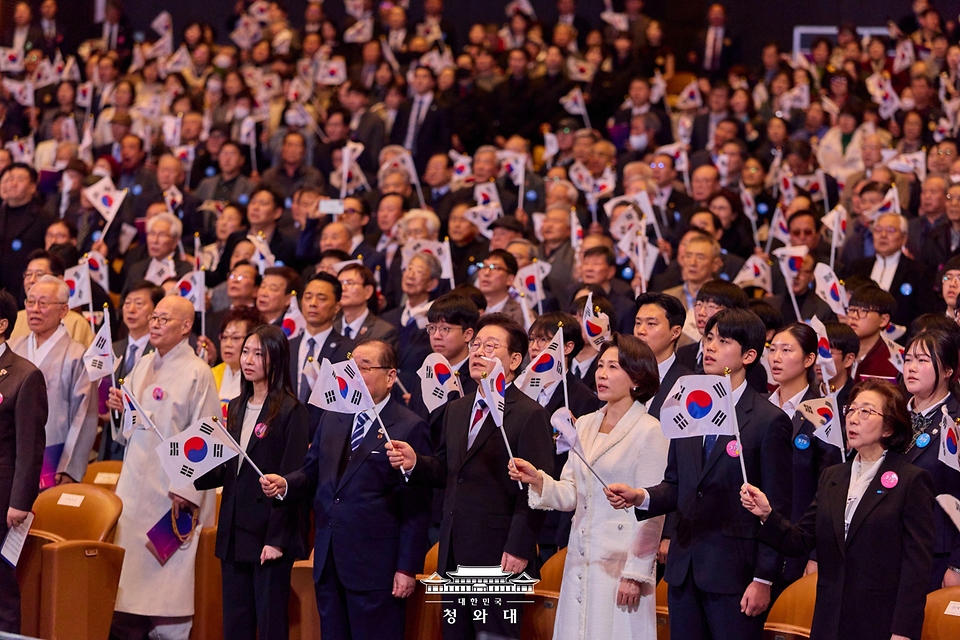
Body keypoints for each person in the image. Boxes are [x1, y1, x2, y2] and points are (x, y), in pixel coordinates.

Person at [605, 308, 793, 640]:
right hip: (685, 568)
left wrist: (764, 578)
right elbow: (677, 485)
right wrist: (642, 496)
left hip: (736, 572)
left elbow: (776, 507)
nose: (710, 347)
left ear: (749, 355)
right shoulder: (688, 409)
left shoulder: (768, 420)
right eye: (708, 338)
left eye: (723, 341)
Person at [386, 313, 554, 640]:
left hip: (500, 554)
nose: (478, 352)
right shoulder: (458, 408)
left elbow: (538, 490)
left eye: (491, 346)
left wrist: (520, 547)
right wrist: (416, 462)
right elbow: (448, 469)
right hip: (454, 549)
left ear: (515, 360)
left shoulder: (529, 413)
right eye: (476, 344)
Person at [260, 340, 432, 640]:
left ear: (391, 376)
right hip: (329, 560)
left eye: (364, 367)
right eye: (352, 366)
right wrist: (286, 484)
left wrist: (406, 567)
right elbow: (313, 472)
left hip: (376, 568)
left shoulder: (408, 427)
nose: (354, 373)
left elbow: (416, 506)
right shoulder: (335, 415)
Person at [740, 378, 935, 640]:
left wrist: (903, 632)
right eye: (851, 410)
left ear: (888, 428)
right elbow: (800, 540)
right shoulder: (833, 476)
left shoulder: (910, 481)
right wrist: (767, 514)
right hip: (829, 620)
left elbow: (916, 567)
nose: (853, 418)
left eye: (866, 411)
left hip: (879, 623)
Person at [509, 334, 669, 640]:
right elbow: (571, 492)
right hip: (582, 557)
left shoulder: (650, 431)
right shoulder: (584, 424)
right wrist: (539, 479)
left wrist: (635, 575)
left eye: (614, 367)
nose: (602, 373)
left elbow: (653, 510)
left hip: (621, 565)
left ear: (637, 378)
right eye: (601, 365)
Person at [106, 296, 221, 640]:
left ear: (186, 327)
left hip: (173, 491)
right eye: (154, 317)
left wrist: (186, 491)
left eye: (164, 319)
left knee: (169, 586)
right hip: (134, 483)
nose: (154, 323)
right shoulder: (141, 364)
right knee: (129, 584)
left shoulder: (198, 371)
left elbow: (208, 435)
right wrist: (118, 409)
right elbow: (129, 431)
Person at [195, 325, 309, 640]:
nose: (248, 360)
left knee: (271, 623)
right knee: (235, 622)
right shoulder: (235, 406)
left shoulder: (291, 410)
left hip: (268, 535)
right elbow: (232, 468)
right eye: (246, 351)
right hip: (234, 530)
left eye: (259, 354)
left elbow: (294, 479)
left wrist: (276, 540)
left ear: (277, 359)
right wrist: (190, 466)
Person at [767, 322, 841, 585]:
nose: (776, 357)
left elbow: (830, 491)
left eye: (787, 350)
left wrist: (816, 554)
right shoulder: (760, 408)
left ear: (809, 359)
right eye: (772, 349)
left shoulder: (823, 413)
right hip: (756, 538)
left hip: (798, 539)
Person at [9, 276, 96, 486]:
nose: (35, 309)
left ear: (64, 310)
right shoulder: (13, 348)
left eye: (43, 303)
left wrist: (70, 468)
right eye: (30, 302)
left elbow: (84, 415)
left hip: (53, 457)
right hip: (9, 454)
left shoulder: (77, 355)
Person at [0, 290, 47, 634]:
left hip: (3, 495)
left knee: (1, 584)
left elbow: (30, 448)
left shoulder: (24, 375)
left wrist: (20, 502)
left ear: (2, 325)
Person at [901, 329, 960, 591]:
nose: (911, 368)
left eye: (923, 360)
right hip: (887, 544)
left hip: (936, 553)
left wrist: (957, 564)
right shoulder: (891, 411)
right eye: (908, 359)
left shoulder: (956, 421)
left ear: (948, 370)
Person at [289, 272, 354, 408]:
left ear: (337, 306)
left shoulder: (348, 350)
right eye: (308, 297)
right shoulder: (288, 347)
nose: (313, 304)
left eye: (322, 298)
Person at [634, 292, 693, 419]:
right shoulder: (622, 374)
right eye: (638, 323)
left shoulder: (688, 384)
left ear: (675, 332)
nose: (640, 331)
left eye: (651, 324)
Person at [211, 307, 264, 418]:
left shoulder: (258, 378)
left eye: (235, 338)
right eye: (224, 337)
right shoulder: (211, 373)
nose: (228, 344)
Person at [845, 284, 901, 382]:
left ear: (883, 320)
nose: (854, 316)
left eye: (863, 311)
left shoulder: (894, 361)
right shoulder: (839, 351)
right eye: (852, 310)